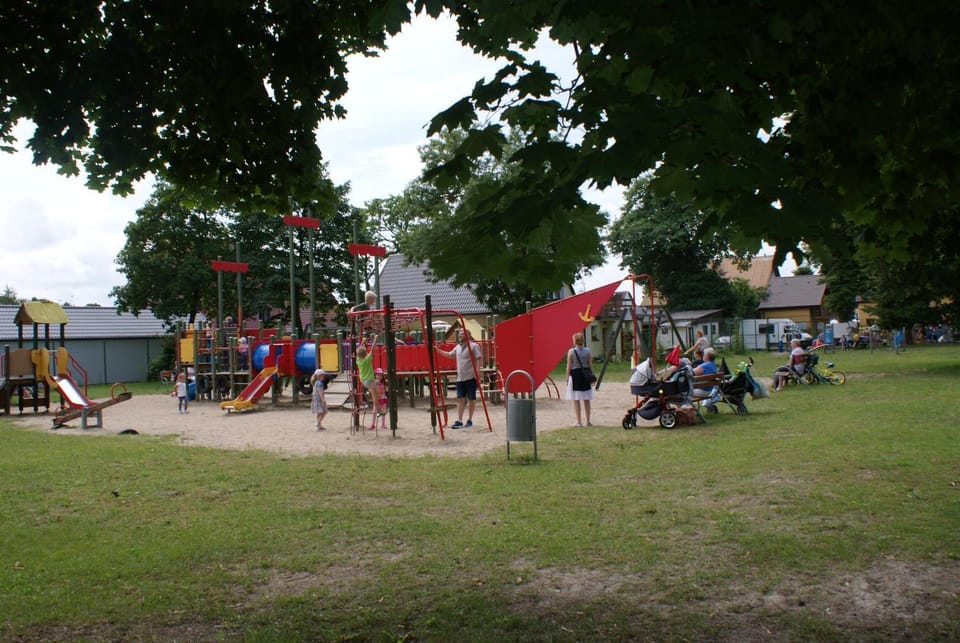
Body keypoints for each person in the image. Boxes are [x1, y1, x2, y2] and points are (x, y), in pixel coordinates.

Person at [434, 329, 482, 428]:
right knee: (460, 399)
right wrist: (437, 350)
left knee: (471, 398)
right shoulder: (458, 347)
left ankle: (469, 420)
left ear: (467, 335)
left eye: (462, 334)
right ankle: (459, 420)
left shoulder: (473, 346)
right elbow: (450, 355)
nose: (460, 335)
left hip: (470, 376)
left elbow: (478, 358)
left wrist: (477, 371)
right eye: (459, 334)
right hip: (460, 377)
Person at [565, 331, 594, 427]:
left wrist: (566, 378)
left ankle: (578, 421)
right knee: (586, 400)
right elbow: (590, 365)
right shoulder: (588, 351)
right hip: (585, 374)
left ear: (574, 341)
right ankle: (588, 421)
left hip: (575, 375)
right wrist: (592, 375)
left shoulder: (571, 351)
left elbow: (569, 366)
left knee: (576, 400)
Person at [693, 347, 719, 412]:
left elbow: (690, 372)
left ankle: (686, 411)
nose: (703, 356)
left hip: (703, 391)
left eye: (704, 354)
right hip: (711, 390)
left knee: (682, 392)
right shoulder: (712, 364)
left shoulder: (704, 366)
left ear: (707, 357)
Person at [355, 344, 374, 411]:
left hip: (363, 380)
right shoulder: (367, 359)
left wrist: (363, 343)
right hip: (369, 379)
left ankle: (368, 393)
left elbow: (360, 352)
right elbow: (372, 349)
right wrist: (375, 339)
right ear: (365, 353)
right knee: (375, 395)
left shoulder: (358, 360)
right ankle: (378, 409)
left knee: (371, 389)